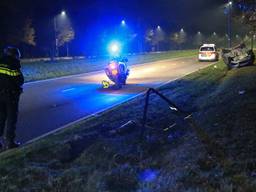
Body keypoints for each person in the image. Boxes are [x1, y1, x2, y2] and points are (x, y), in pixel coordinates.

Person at [0, 46, 24, 150]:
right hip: (11, 96)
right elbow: (19, 80)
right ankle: (10, 142)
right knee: (11, 118)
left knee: (0, 118)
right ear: (14, 55)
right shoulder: (13, 64)